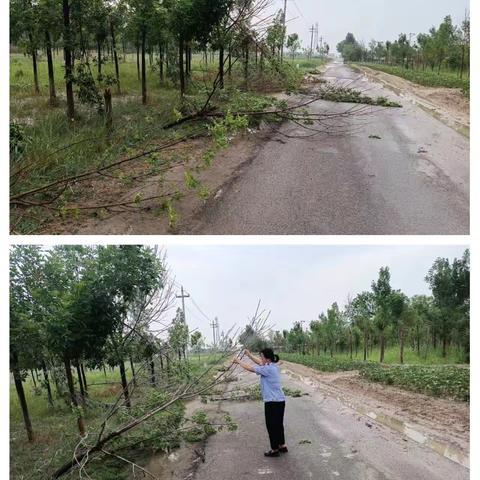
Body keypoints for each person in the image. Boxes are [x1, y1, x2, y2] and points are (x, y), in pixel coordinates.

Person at [233, 348, 288, 457]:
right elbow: (259, 362)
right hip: (280, 401)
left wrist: (238, 361)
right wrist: (249, 355)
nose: (260, 359)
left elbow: (251, 368)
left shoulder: (267, 369)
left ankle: (274, 449)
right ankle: (282, 445)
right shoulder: (273, 366)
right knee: (278, 425)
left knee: (271, 426)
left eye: (262, 357)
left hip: (272, 402)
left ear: (267, 359)